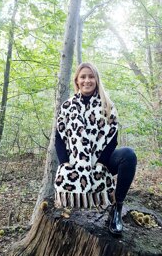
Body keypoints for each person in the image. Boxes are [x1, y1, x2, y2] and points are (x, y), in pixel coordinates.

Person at [54, 62, 137, 236]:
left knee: (128, 155)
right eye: (83, 77)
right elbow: (59, 138)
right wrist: (64, 164)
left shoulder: (107, 105)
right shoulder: (67, 107)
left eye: (91, 77)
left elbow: (112, 138)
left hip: (102, 159)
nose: (87, 80)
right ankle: (75, 203)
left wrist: (101, 163)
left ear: (96, 80)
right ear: (77, 80)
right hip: (76, 162)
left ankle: (116, 207)